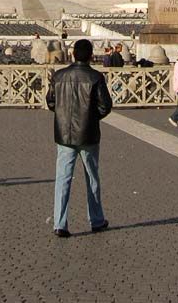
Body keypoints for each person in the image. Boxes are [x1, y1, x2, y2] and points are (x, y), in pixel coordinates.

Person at [46, 38, 112, 237]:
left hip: (64, 135)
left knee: (62, 179)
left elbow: (51, 103)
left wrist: (64, 116)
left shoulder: (58, 76)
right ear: (91, 55)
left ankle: (60, 223)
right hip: (89, 135)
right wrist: (91, 118)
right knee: (92, 178)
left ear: (73, 54)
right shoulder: (95, 77)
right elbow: (105, 106)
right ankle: (96, 220)